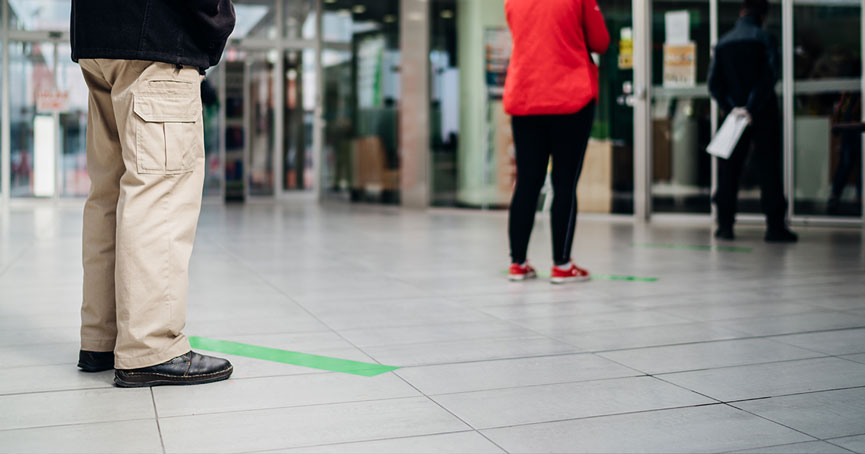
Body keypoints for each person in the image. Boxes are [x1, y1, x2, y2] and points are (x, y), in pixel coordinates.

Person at [72, 0, 237, 387]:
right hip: (158, 37)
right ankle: (150, 346)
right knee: (159, 194)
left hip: (97, 39)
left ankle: (103, 338)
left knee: (108, 197)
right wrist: (218, 19)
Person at [504, 0, 609, 283]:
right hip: (570, 97)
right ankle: (562, 265)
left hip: (525, 95)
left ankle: (518, 262)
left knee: (527, 181)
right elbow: (600, 42)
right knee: (564, 183)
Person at [708, 0, 797, 242]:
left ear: (741, 11)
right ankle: (775, 227)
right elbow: (770, 77)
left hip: (733, 118)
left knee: (729, 171)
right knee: (768, 168)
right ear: (764, 14)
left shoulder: (723, 43)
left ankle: (725, 226)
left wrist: (733, 108)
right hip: (762, 114)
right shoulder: (765, 39)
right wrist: (751, 107)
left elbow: (714, 85)